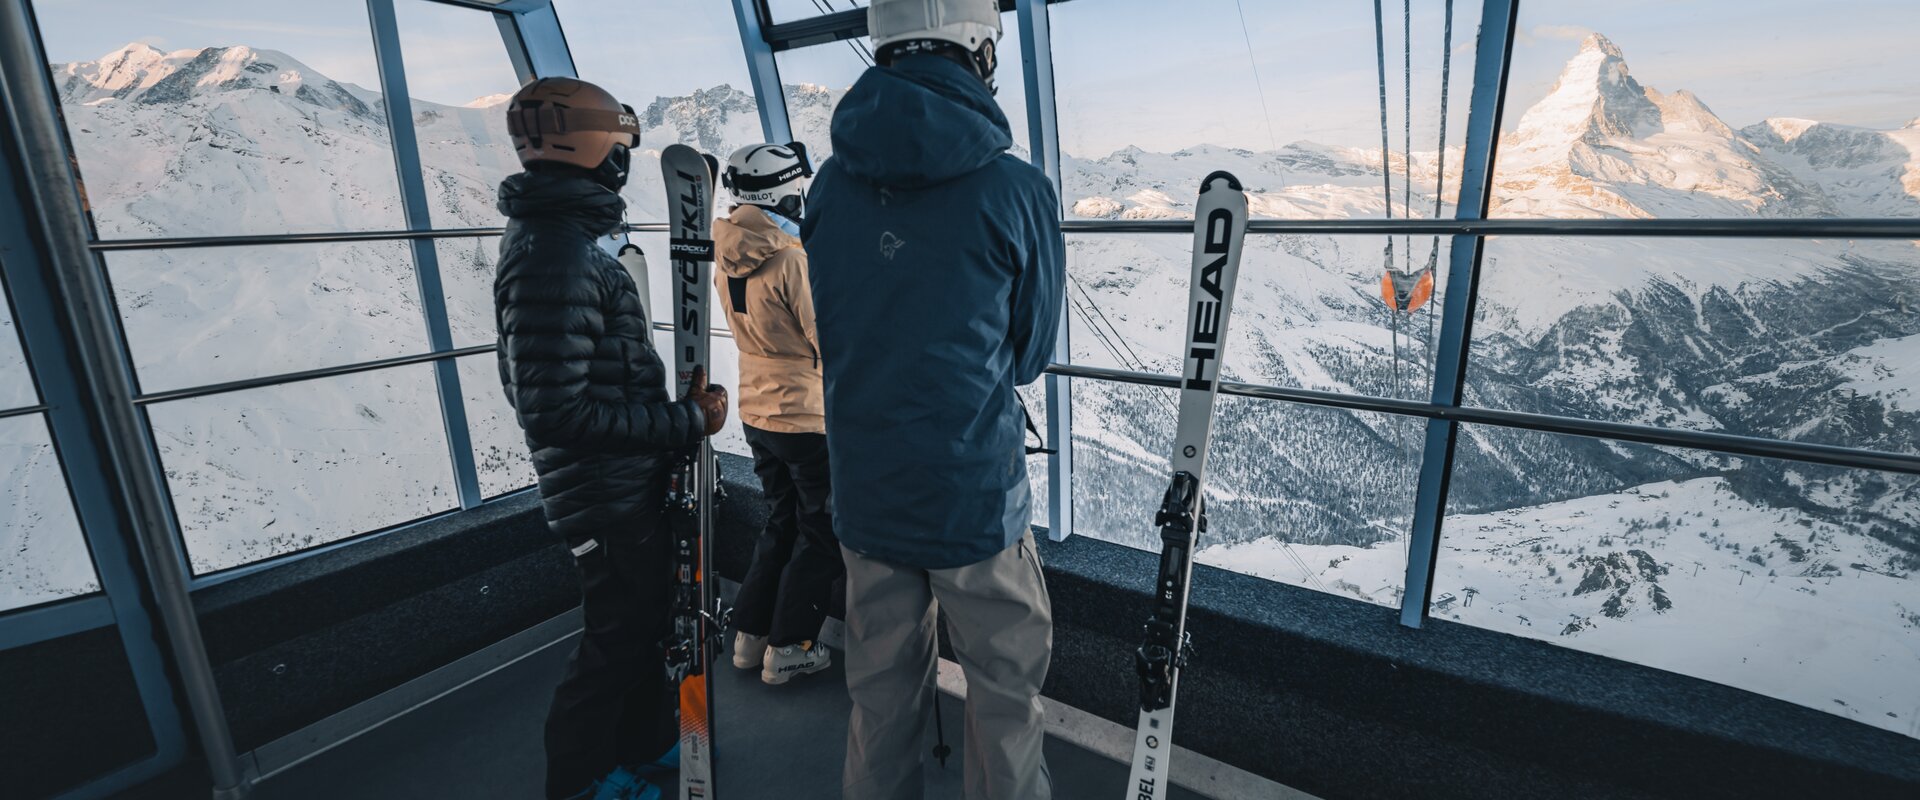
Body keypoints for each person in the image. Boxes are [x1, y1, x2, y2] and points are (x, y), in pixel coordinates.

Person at [800, 0, 1065, 796]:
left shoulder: (827, 188)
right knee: (1004, 700)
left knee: (878, 698)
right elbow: (1029, 357)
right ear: (979, 53)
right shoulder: (1016, 190)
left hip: (867, 489)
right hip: (972, 497)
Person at [494, 77, 730, 800]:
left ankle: (637, 750)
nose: (625, 158)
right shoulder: (556, 253)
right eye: (622, 144)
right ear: (602, 150)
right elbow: (556, 413)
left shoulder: (558, 236)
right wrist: (685, 422)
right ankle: (578, 783)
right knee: (614, 643)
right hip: (602, 494)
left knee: (646, 627)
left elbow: (584, 382)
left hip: (619, 482)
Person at [714, 142, 841, 685]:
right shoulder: (790, 259)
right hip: (804, 416)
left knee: (779, 521)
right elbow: (828, 339)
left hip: (757, 410)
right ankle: (789, 647)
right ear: (783, 191)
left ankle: (750, 635)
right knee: (820, 530)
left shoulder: (727, 253)